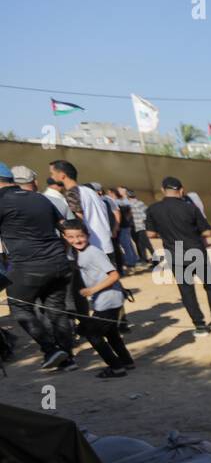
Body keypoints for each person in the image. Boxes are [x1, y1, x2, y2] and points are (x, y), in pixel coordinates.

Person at [0, 162, 77, 370]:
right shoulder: (40, 198)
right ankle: (68, 358)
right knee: (57, 311)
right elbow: (63, 228)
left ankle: (50, 349)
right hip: (58, 263)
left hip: (27, 267)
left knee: (19, 307)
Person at [146, 176, 211, 335]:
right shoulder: (190, 207)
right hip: (196, 250)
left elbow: (150, 234)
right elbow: (207, 231)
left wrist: (164, 235)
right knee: (210, 286)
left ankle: (200, 326)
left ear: (163, 190)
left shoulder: (153, 209)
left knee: (186, 291)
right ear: (181, 190)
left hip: (175, 253)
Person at [61, 218, 133, 378]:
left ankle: (116, 367)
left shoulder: (93, 252)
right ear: (65, 237)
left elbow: (114, 275)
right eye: (71, 237)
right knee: (111, 332)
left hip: (108, 300)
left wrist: (92, 290)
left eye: (80, 236)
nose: (76, 240)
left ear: (87, 235)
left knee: (92, 333)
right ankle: (127, 361)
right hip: (107, 300)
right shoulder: (78, 252)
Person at [48, 160, 112, 256]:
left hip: (92, 246)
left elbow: (78, 222)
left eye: (52, 173)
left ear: (62, 175)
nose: (51, 177)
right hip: (105, 243)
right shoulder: (89, 191)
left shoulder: (72, 193)